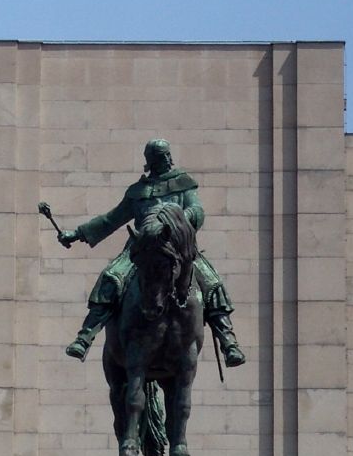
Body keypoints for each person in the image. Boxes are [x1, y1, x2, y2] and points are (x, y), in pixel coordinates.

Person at [57, 139, 246, 367]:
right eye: (159, 157)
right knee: (110, 277)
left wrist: (175, 221)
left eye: (166, 155)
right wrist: (77, 234)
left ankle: (228, 341)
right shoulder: (138, 192)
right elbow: (111, 220)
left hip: (176, 248)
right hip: (141, 249)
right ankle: (85, 336)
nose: (164, 160)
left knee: (212, 282)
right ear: (150, 161)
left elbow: (197, 211)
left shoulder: (183, 183)